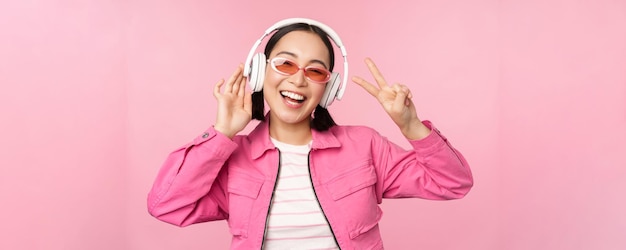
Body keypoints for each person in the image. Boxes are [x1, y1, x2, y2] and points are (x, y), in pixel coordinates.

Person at [147, 18, 473, 250]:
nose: (299, 80)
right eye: (286, 65)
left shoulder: (364, 145)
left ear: (328, 89)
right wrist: (222, 134)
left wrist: (410, 126)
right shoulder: (233, 158)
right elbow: (167, 205)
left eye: (315, 70)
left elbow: (452, 182)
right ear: (260, 72)